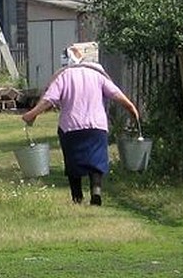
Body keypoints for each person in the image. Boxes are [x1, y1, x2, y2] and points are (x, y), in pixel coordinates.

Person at [21, 43, 140, 206]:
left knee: (73, 163)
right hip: (97, 127)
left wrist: (32, 114)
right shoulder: (98, 75)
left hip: (71, 127)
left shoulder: (64, 76)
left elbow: (49, 99)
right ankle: (96, 191)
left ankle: (77, 197)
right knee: (97, 161)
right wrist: (131, 108)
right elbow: (116, 94)